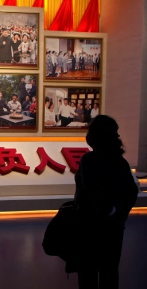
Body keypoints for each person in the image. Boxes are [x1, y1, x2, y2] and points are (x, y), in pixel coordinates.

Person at [74, 115, 138, 288]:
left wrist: (104, 211)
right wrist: (118, 213)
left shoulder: (89, 160)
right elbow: (131, 192)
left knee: (87, 272)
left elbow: (89, 192)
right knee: (110, 271)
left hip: (90, 226)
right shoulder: (120, 162)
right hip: (114, 227)